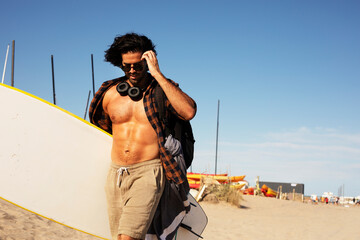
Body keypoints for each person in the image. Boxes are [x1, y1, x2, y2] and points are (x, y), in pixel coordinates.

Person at [89, 33, 196, 240]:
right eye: (126, 66)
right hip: (115, 173)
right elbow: (100, 128)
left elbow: (188, 111)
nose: (132, 70)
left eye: (138, 65)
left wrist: (157, 74)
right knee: (119, 237)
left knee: (129, 237)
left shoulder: (161, 89)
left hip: (148, 172)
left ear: (148, 61)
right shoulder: (109, 92)